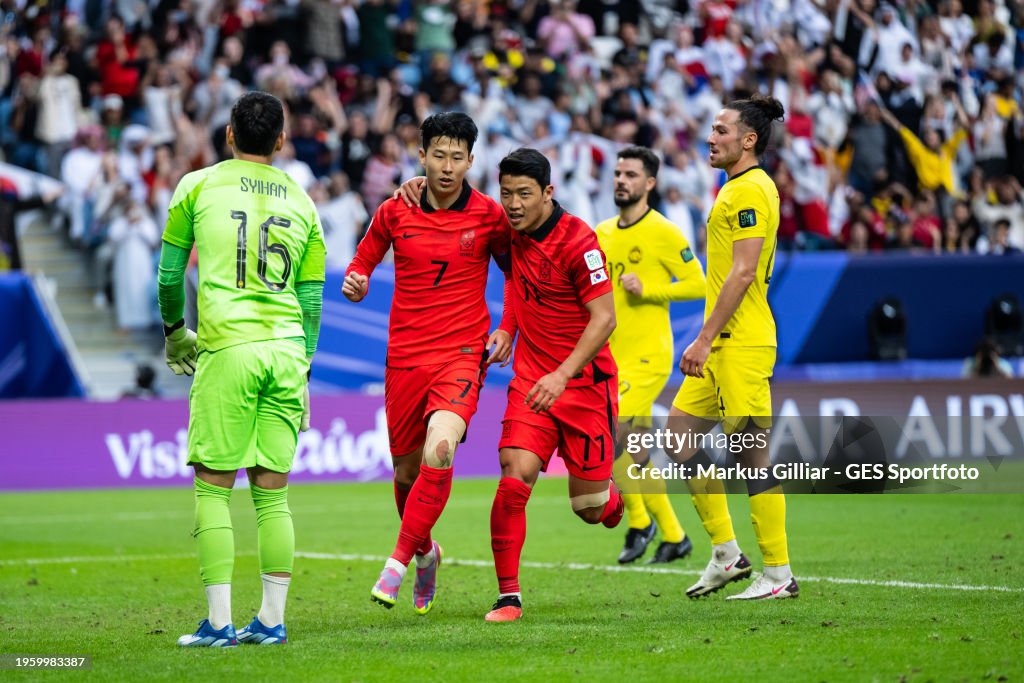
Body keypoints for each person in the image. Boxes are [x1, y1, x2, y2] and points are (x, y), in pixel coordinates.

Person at [157, 91, 326, 646]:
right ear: (281, 140)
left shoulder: (197, 186)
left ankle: (220, 624)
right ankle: (272, 622)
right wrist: (302, 364)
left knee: (213, 489)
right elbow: (312, 303)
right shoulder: (303, 202)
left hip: (228, 346)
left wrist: (175, 332)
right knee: (272, 493)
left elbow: (168, 276)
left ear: (228, 133)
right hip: (284, 351)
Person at [343, 112, 513, 615]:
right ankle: (425, 552)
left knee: (441, 449)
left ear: (470, 161)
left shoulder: (488, 215)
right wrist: (357, 279)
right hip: (405, 358)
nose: (446, 166)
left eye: (456, 157)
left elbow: (518, 273)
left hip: (462, 354)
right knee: (405, 472)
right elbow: (364, 257)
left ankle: (394, 566)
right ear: (421, 156)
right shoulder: (397, 208)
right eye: (437, 155)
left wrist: (510, 327)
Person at [665, 94, 799, 600]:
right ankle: (726, 554)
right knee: (680, 437)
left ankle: (780, 575)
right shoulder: (735, 189)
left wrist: (701, 338)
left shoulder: (748, 190)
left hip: (739, 343)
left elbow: (743, 272)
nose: (710, 137)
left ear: (749, 139)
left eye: (721, 130)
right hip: (722, 347)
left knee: (750, 459)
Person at [486, 148, 622, 622]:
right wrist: (508, 326)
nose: (514, 204)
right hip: (531, 382)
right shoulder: (509, 231)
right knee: (513, 475)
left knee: (589, 508)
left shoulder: (579, 242)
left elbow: (605, 319)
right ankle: (508, 596)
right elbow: (513, 278)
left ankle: (612, 497)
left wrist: (562, 374)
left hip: (584, 386)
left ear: (548, 192)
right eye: (507, 194)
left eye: (524, 194)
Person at [596, 146, 706, 565]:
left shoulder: (664, 232)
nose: (621, 180)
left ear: (650, 184)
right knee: (634, 451)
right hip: (612, 356)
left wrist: (652, 290)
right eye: (618, 172)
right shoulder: (602, 233)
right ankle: (675, 537)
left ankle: (639, 522)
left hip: (648, 357)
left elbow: (698, 284)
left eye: (631, 174)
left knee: (610, 431)